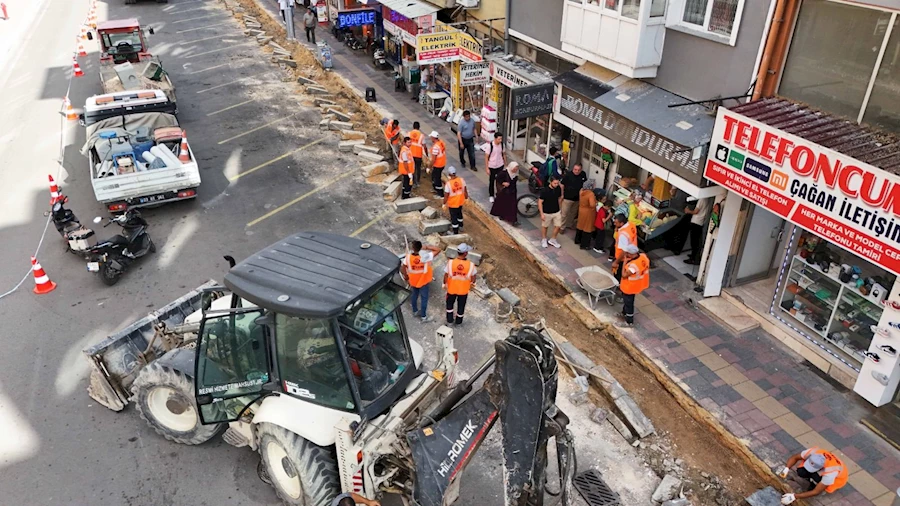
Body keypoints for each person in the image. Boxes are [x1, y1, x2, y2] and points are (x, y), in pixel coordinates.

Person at [778, 447, 848, 504]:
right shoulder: (813, 452)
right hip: (824, 467)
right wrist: (786, 468)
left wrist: (794, 496)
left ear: (820, 468)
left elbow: (816, 492)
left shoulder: (830, 473)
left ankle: (814, 482)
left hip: (836, 480)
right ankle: (812, 478)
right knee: (801, 471)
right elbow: (795, 457)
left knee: (815, 482)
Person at [401, 240, 442, 322]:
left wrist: (406, 277)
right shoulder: (426, 256)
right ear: (421, 248)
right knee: (424, 298)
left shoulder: (408, 257)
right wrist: (426, 247)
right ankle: (423, 317)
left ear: (412, 248)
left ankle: (415, 311)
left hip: (413, 281)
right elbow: (438, 250)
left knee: (414, 295)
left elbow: (403, 268)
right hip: (423, 280)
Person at [444, 243, 476, 325]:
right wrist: (472, 284)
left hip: (451, 289)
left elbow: (446, 275)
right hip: (463, 291)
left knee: (449, 304)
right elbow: (473, 278)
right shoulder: (471, 265)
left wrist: (444, 284)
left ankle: (450, 320)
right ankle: (459, 321)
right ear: (465, 253)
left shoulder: (451, 263)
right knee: (461, 306)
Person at [618, 244, 649, 327]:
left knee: (629, 303)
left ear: (632, 254)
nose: (626, 254)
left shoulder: (633, 267)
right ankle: (624, 313)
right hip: (637, 285)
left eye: (627, 253)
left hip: (629, 287)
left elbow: (624, 275)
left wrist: (624, 262)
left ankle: (629, 321)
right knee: (627, 301)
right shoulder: (643, 257)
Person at [559, 163, 587, 232]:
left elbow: (585, 184)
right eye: (575, 169)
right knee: (564, 213)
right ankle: (561, 227)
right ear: (573, 169)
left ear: (581, 170)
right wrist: (562, 195)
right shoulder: (568, 175)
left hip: (577, 198)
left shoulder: (583, 174)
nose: (577, 171)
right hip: (567, 198)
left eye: (578, 170)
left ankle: (569, 224)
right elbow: (562, 185)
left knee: (573, 213)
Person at [611, 213, 638, 282]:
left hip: (622, 258)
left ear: (621, 223)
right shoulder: (631, 225)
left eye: (616, 223)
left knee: (618, 275)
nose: (614, 224)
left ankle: (618, 286)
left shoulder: (623, 235)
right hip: (631, 253)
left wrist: (616, 262)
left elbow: (623, 251)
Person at [683, 197, 710, 265]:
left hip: (696, 222)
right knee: (697, 241)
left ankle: (693, 259)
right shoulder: (708, 199)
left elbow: (696, 211)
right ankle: (694, 255)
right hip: (701, 222)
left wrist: (688, 211)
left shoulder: (702, 199)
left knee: (694, 242)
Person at [539, 177, 563, 249]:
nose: (556, 185)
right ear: (551, 182)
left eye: (557, 183)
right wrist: (542, 214)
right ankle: (544, 239)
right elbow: (540, 202)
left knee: (558, 226)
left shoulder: (558, 188)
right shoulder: (545, 190)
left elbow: (559, 198)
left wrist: (560, 208)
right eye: (555, 183)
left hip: (556, 211)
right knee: (545, 226)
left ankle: (553, 239)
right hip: (546, 212)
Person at [443, 167, 468, 235]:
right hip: (460, 201)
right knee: (459, 214)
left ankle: (455, 232)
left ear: (449, 174)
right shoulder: (461, 180)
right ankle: (461, 226)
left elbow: (446, 196)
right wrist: (466, 198)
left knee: (454, 217)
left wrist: (444, 203)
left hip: (453, 204)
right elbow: (465, 191)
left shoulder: (448, 184)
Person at [574, 180, 597, 250]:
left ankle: (577, 240)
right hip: (588, 212)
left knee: (580, 225)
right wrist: (596, 203)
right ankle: (584, 245)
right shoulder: (590, 194)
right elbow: (592, 204)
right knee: (587, 228)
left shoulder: (581, 191)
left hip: (581, 210)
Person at [485, 133, 506, 203]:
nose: (500, 140)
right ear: (495, 138)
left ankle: (499, 194)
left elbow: (504, 154)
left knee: (500, 181)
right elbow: (486, 157)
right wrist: (487, 168)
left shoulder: (502, 145)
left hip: (500, 165)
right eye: (499, 139)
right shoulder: (490, 146)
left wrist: (505, 164)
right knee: (491, 181)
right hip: (492, 166)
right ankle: (491, 195)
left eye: (501, 139)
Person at [429, 131, 447, 197]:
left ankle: (440, 194)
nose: (430, 138)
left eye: (431, 137)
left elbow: (433, 159)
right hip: (442, 163)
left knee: (437, 179)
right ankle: (435, 188)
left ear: (433, 138)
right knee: (434, 176)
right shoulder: (441, 143)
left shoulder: (436, 147)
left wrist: (429, 166)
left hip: (438, 165)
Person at [409, 122, 425, 188]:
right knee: (418, 168)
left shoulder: (409, 134)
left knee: (412, 168)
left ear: (413, 126)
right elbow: (424, 145)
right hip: (418, 155)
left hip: (410, 155)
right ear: (419, 127)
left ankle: (412, 181)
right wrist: (426, 153)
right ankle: (417, 182)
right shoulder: (421, 135)